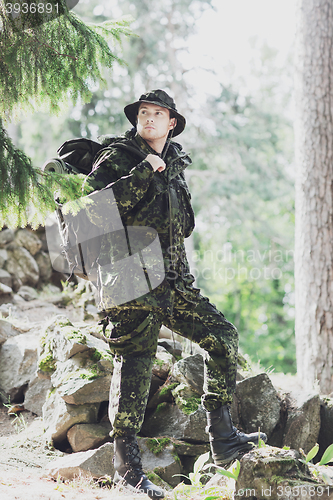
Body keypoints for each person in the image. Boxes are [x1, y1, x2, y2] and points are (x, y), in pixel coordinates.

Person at [84, 90, 267, 499]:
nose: (149, 119)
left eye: (158, 114)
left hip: (172, 282)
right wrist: (142, 174)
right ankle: (126, 468)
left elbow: (181, 227)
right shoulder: (117, 158)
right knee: (135, 363)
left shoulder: (175, 165)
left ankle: (223, 438)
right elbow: (91, 211)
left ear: (171, 123)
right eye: (143, 113)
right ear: (136, 121)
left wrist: (162, 177)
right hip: (128, 280)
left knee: (223, 337)